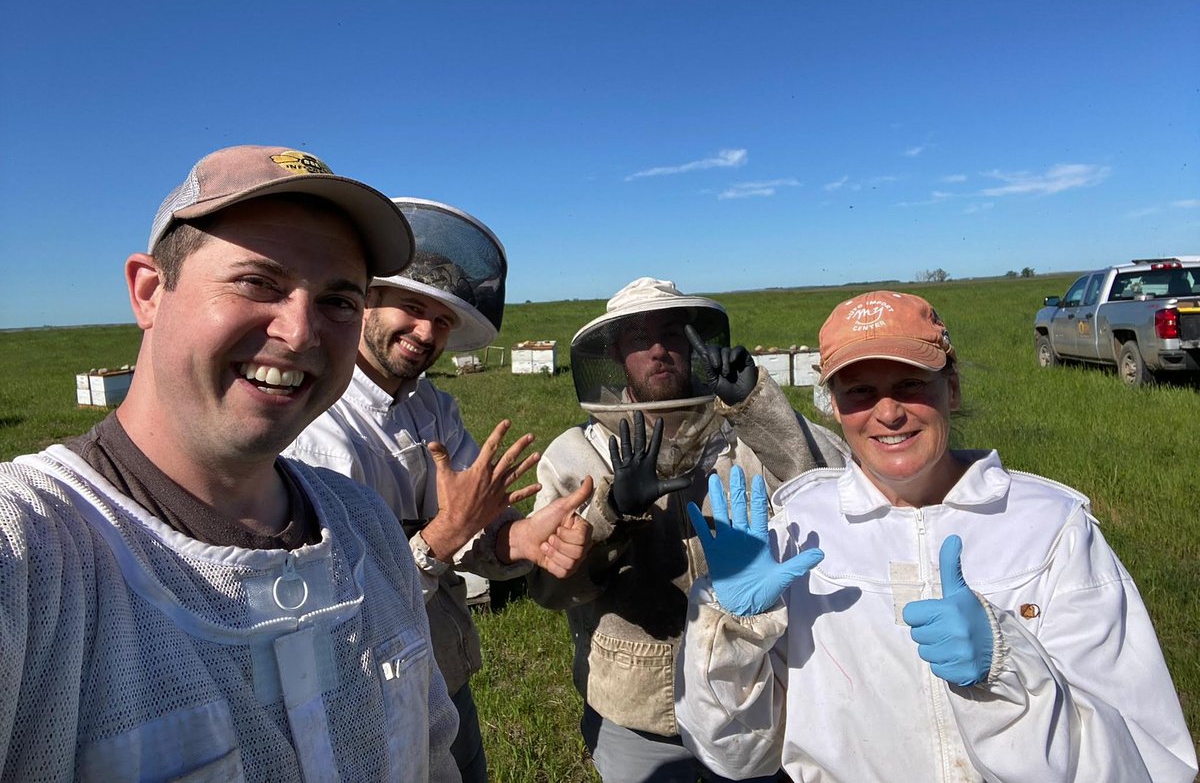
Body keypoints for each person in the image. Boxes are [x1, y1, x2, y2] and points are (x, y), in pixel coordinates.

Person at [0, 146, 461, 781]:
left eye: (338, 301)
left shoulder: (367, 526)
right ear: (151, 291)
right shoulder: (33, 551)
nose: (300, 332)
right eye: (258, 282)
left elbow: (433, 750)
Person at [676, 291, 1199, 782]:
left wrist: (1005, 667)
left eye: (910, 384)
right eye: (860, 391)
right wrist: (733, 633)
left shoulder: (1049, 528)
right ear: (832, 404)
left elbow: (1149, 758)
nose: (888, 412)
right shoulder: (796, 528)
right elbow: (737, 755)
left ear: (951, 386)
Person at [285, 197, 593, 781]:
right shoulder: (318, 431)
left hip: (440, 674)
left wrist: (522, 537)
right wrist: (447, 533)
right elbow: (337, 610)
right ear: (366, 300)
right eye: (412, 307)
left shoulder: (431, 404)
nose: (427, 332)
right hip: (356, 702)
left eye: (445, 321)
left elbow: (478, 528)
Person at [528, 277, 847, 782]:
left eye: (672, 334)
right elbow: (549, 589)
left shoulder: (745, 434)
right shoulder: (576, 456)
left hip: (755, 687)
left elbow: (838, 493)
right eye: (639, 339)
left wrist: (761, 409)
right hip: (638, 712)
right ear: (615, 355)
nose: (658, 350)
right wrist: (609, 513)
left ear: (693, 342)